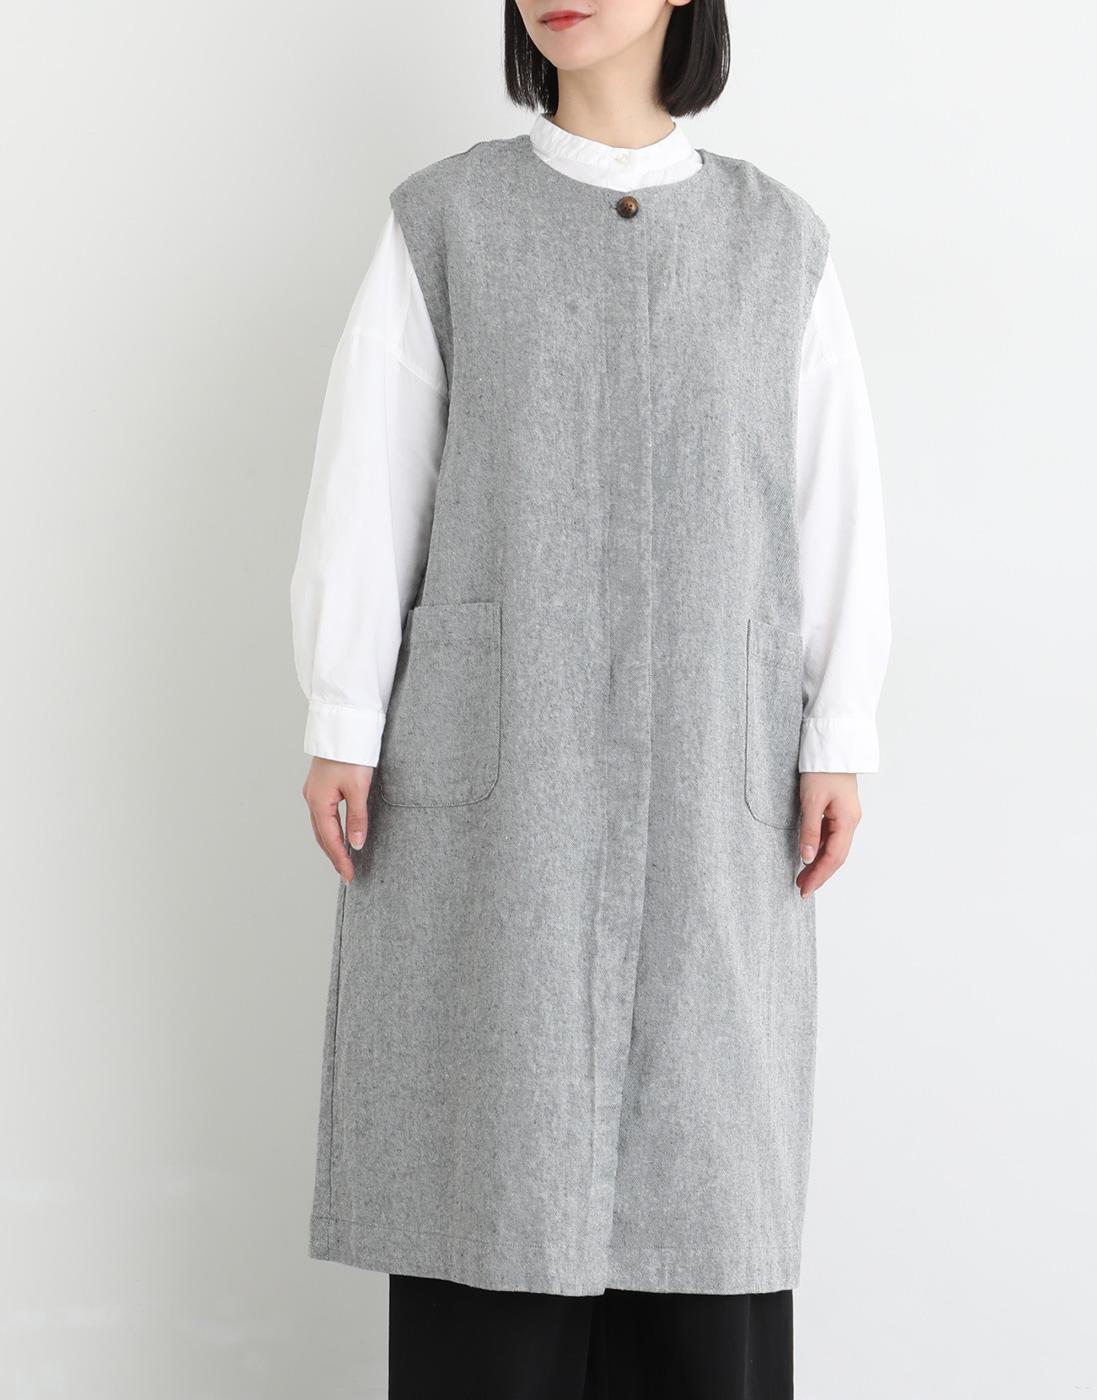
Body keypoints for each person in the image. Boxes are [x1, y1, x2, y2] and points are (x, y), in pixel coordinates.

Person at [289, 2, 891, 1395]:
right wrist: (342, 712)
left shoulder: (778, 242)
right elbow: (370, 484)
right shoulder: (447, 223)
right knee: (489, 1178)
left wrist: (839, 729)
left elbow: (836, 499)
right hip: (504, 798)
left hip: (714, 787)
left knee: (708, 1188)